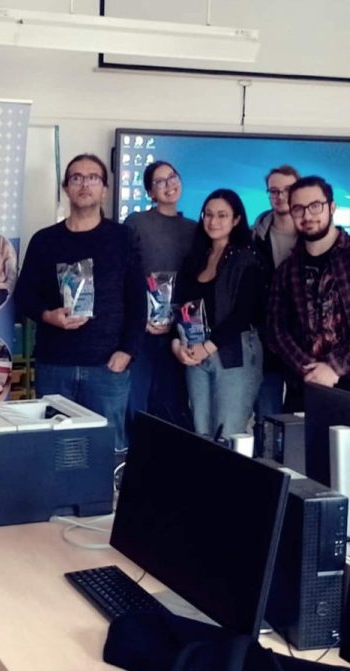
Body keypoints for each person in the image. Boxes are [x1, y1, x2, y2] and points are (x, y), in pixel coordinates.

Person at [14, 153, 145, 455]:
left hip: (107, 367)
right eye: (76, 178)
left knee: (107, 452)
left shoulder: (123, 238)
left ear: (105, 189)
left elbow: (138, 301)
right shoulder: (45, 240)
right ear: (66, 188)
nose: (84, 184)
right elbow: (24, 295)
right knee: (56, 453)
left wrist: (128, 351)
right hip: (54, 364)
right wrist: (48, 315)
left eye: (93, 178)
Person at [267, 176, 350, 410]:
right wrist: (309, 368)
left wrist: (335, 367)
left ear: (332, 207)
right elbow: (277, 329)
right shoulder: (287, 270)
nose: (307, 215)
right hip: (307, 383)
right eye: (298, 209)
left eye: (315, 206)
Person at [171, 190, 267, 438]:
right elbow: (179, 306)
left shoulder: (247, 259)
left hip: (234, 352)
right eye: (208, 214)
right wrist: (177, 345)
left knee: (228, 433)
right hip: (194, 351)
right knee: (201, 432)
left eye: (222, 215)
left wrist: (208, 347)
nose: (213, 221)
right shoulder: (195, 257)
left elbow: (243, 314)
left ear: (236, 220)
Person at [123, 160, 195, 431]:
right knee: (137, 404)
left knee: (173, 407)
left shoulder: (194, 228)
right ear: (150, 192)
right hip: (143, 329)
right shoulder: (137, 223)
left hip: (180, 332)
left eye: (173, 177)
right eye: (160, 181)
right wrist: (140, 317)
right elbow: (125, 274)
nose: (169, 185)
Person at [251, 164, 300, 452]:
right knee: (266, 417)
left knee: (299, 420)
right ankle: (266, 470)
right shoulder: (253, 237)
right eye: (274, 191)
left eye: (288, 190)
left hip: (305, 342)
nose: (281, 196)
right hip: (264, 338)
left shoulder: (314, 234)